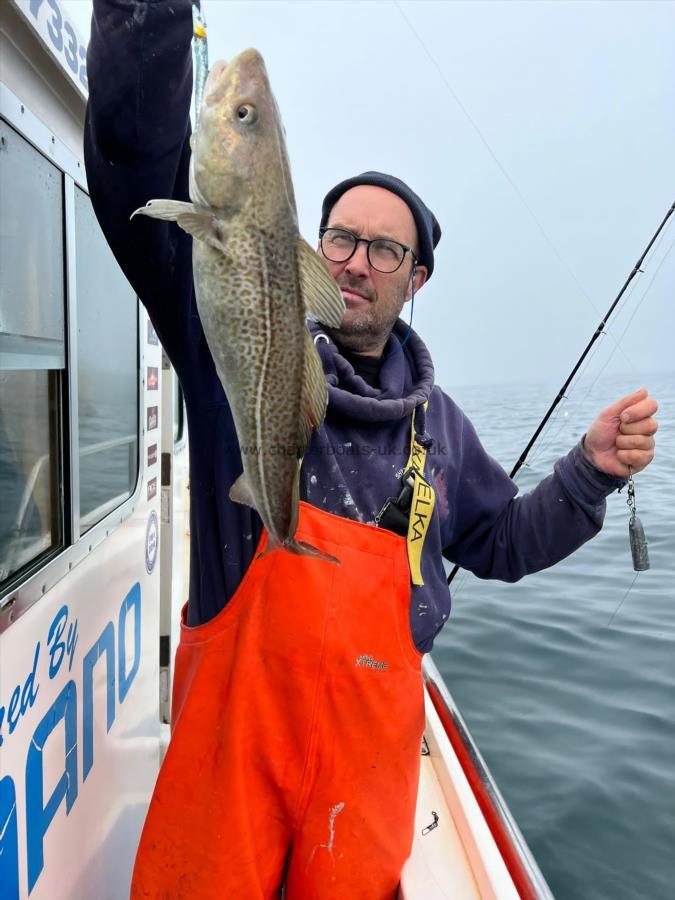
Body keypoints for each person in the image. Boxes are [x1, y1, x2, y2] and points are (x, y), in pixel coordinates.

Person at [85, 2, 658, 897]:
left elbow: (501, 543)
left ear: (415, 276)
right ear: (311, 250)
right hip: (227, 767)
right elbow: (127, 151)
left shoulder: (441, 431)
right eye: (340, 238)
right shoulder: (230, 339)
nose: (354, 262)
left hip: (364, 788)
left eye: (383, 249)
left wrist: (587, 473)